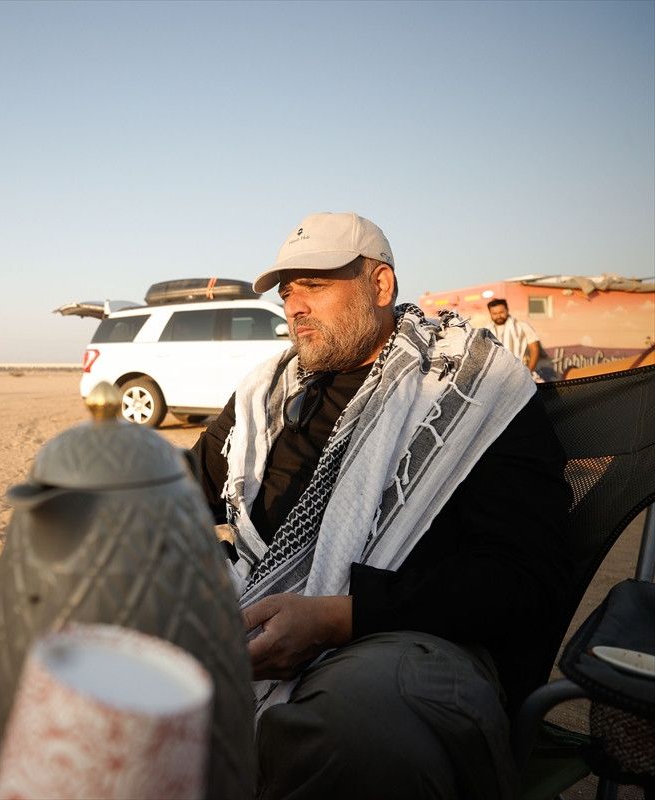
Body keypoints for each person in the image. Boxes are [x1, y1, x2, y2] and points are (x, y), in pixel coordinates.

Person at [191, 212, 573, 799]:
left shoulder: (471, 392)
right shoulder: (268, 394)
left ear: (380, 285)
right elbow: (186, 488)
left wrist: (339, 618)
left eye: (313, 285)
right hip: (253, 612)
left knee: (353, 725)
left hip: (407, 641)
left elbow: (523, 578)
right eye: (287, 292)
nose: (295, 306)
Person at [487, 298, 560, 381]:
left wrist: (528, 371)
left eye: (501, 312)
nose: (498, 316)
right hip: (498, 378)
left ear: (507, 310)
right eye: (495, 313)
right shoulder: (487, 331)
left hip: (521, 375)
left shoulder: (522, 326)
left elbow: (534, 349)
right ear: (490, 313)